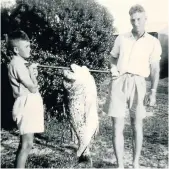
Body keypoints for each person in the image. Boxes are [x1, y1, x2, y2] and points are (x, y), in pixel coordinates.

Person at [105, 4, 162, 168]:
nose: (136, 23)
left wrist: (153, 92)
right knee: (117, 126)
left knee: (137, 125)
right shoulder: (121, 38)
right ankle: (120, 165)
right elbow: (112, 58)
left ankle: (135, 164)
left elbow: (155, 69)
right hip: (119, 82)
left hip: (139, 83)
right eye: (132, 19)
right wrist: (113, 69)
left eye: (139, 19)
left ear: (145, 19)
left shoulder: (153, 42)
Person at [7, 30, 44, 168]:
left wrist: (31, 72)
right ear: (16, 50)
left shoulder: (19, 63)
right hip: (25, 104)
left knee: (26, 144)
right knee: (27, 144)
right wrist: (32, 73)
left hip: (28, 103)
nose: (30, 49)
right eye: (26, 47)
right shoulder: (17, 64)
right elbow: (33, 88)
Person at [63, 64, 99, 167]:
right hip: (79, 111)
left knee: (85, 130)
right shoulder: (82, 83)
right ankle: (81, 152)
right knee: (84, 132)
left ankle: (83, 151)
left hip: (81, 110)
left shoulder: (85, 82)